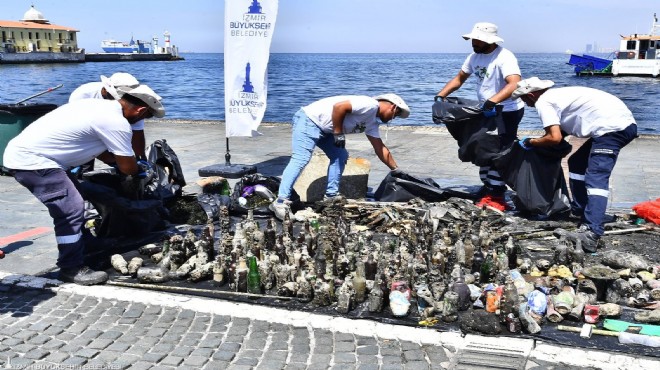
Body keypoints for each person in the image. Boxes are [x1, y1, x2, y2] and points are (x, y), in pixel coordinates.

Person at [3, 84, 165, 285]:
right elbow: (127, 167)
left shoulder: (95, 106)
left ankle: (86, 243)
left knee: (78, 196)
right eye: (145, 117)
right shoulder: (116, 122)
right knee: (71, 209)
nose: (142, 121)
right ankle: (71, 267)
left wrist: (121, 162)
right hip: (35, 162)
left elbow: (105, 154)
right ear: (140, 110)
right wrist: (139, 168)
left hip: (33, 156)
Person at [511, 77, 637, 252]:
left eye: (524, 99)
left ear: (531, 95)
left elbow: (553, 138)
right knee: (576, 162)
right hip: (618, 125)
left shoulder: (543, 102)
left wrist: (531, 142)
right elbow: (559, 134)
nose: (525, 103)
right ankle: (582, 210)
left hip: (612, 129)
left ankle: (593, 231)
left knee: (596, 178)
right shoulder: (557, 96)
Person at [270, 94, 410, 220]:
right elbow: (339, 107)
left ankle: (330, 196)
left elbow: (380, 148)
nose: (393, 118)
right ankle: (281, 201)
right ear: (393, 106)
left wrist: (395, 170)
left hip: (325, 130)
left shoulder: (371, 122)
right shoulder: (370, 104)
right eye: (396, 115)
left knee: (340, 155)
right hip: (309, 120)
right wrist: (338, 133)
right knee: (301, 158)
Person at [435, 22, 525, 211]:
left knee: (498, 153)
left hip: (506, 111)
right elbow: (459, 78)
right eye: (472, 39)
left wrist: (493, 100)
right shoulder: (474, 57)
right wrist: (440, 96)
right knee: (482, 149)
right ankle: (489, 188)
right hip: (486, 110)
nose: (473, 42)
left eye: (477, 39)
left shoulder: (504, 57)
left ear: (488, 41)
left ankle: (498, 196)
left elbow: (514, 84)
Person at [69, 73, 147, 161]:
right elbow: (79, 129)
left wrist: (142, 158)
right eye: (118, 95)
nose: (120, 99)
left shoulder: (132, 99)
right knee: (84, 160)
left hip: (110, 125)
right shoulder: (83, 94)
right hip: (84, 129)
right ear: (105, 90)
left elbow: (137, 131)